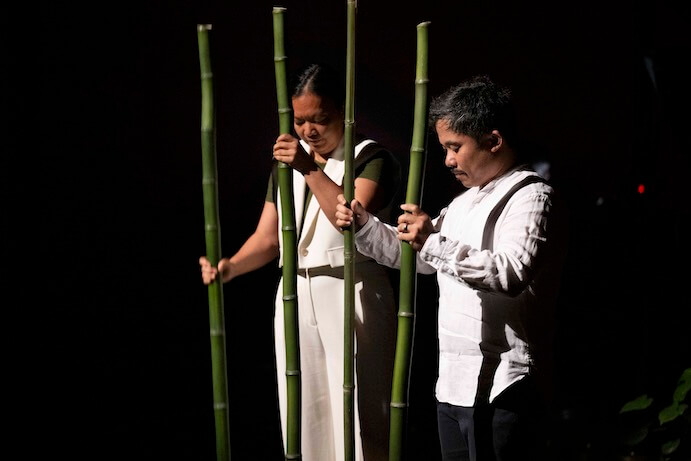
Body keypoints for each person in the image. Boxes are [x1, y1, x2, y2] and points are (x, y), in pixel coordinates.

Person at [335, 75, 568, 461]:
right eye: (445, 148)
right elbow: (419, 259)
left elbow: (510, 272)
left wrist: (432, 241)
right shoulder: (462, 203)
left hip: (505, 384)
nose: (447, 160)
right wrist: (365, 224)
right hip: (454, 385)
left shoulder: (532, 195)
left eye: (455, 147)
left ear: (493, 140)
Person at [199, 63, 400, 461]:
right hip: (295, 292)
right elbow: (268, 238)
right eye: (301, 120)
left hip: (352, 289)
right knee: (306, 411)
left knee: (360, 415)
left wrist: (307, 169)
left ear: (345, 111)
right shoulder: (288, 165)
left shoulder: (371, 156)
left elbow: (347, 219)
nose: (309, 130)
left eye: (320, 119)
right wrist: (230, 267)